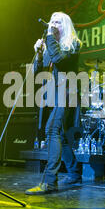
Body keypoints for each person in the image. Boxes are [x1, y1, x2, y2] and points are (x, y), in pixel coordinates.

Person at [25, 12, 82, 195]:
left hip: (67, 90)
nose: (53, 24)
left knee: (52, 130)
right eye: (51, 21)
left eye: (57, 21)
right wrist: (39, 54)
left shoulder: (73, 43)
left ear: (65, 25)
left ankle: (50, 182)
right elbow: (37, 72)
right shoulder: (52, 46)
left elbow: (59, 60)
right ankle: (74, 173)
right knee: (61, 135)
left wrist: (49, 37)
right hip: (53, 92)